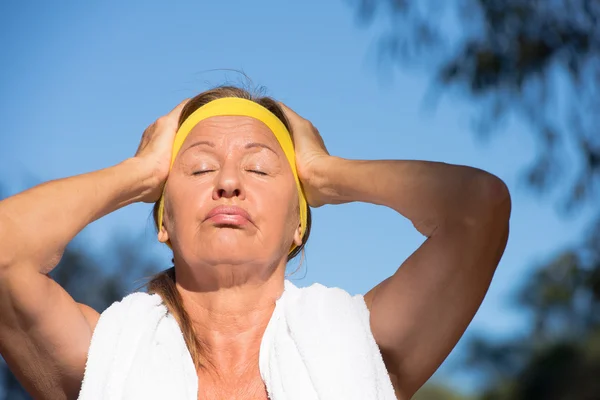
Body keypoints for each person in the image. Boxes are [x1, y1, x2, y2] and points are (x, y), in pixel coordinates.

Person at [0, 86, 511, 400]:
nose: (228, 182)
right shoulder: (106, 349)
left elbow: (478, 209)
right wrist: (139, 173)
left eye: (261, 168)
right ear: (164, 220)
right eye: (199, 167)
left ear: (298, 226)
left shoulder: (363, 339)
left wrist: (324, 172)